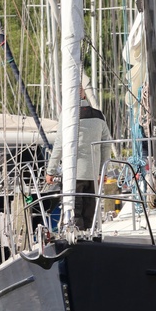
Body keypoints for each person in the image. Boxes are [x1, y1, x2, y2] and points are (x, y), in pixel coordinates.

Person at [45, 86, 114, 230]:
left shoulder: (67, 115)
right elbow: (106, 144)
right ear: (84, 96)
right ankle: (90, 236)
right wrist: (103, 171)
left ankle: (78, 237)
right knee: (90, 211)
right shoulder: (99, 115)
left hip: (74, 172)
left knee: (74, 211)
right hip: (93, 173)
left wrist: (51, 170)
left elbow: (59, 144)